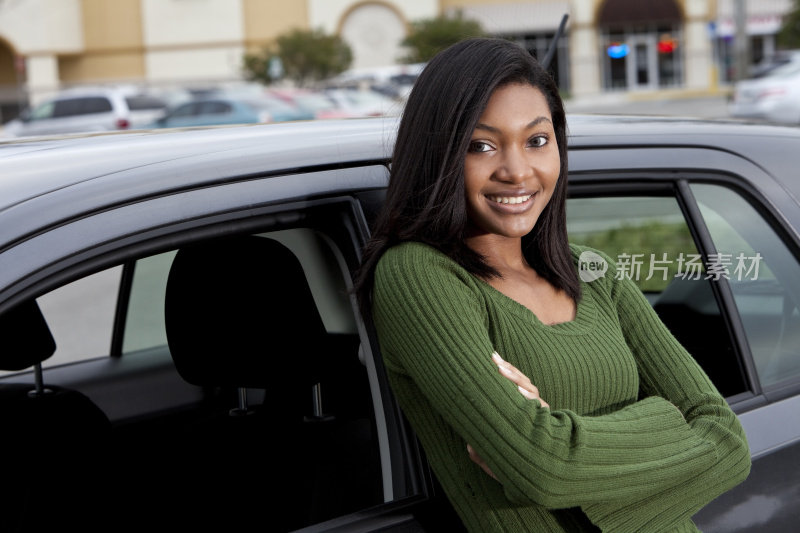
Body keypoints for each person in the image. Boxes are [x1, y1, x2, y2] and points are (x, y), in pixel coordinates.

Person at [354, 37, 751, 532]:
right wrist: (668, 427)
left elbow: (729, 443)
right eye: (481, 145)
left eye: (537, 140)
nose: (517, 171)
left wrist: (565, 440)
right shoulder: (420, 276)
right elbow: (543, 469)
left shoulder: (595, 273)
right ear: (438, 155)